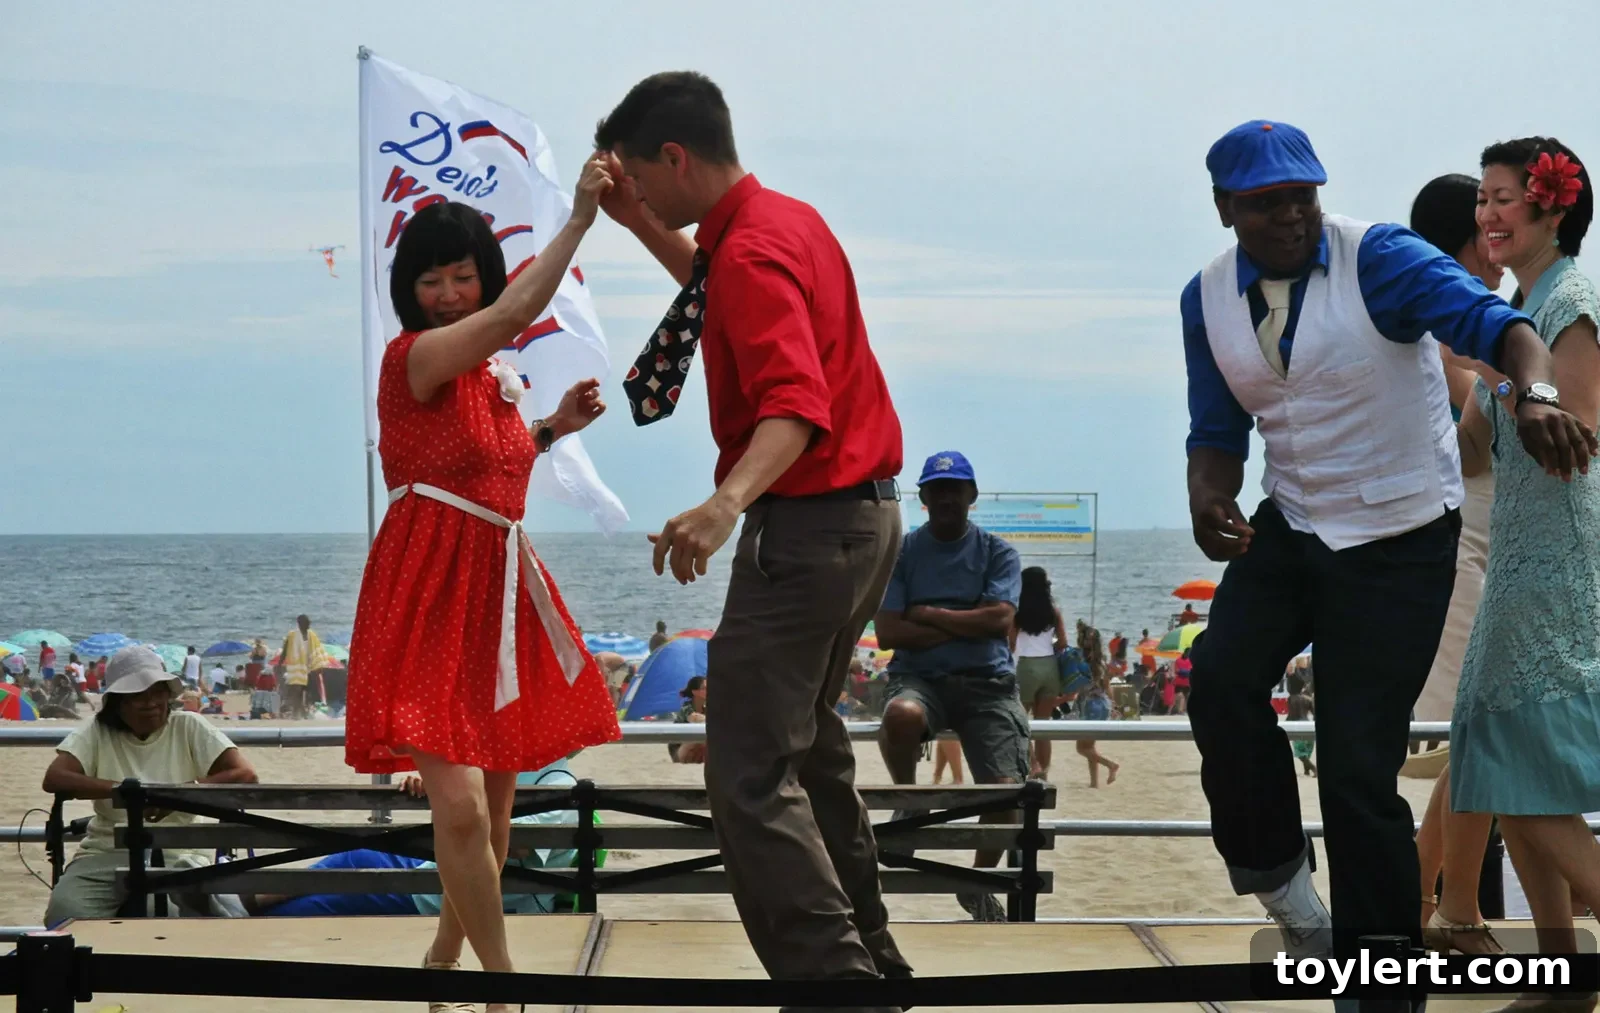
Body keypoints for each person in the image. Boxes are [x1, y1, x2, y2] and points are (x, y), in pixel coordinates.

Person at [1180, 118, 1595, 979]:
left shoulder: (1380, 257)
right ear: (1225, 208)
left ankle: (1381, 973)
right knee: (1217, 676)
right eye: (1266, 202)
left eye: (1303, 196)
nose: (1291, 215)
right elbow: (1216, 430)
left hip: (1401, 536)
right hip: (1295, 518)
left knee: (1355, 764)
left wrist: (1536, 393)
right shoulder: (1206, 298)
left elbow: (1503, 329)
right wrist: (1207, 495)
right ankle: (1282, 883)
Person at [595, 71, 910, 1002]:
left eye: (642, 181)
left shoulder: (753, 252)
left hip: (806, 525)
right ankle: (874, 961)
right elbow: (715, 287)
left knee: (746, 774)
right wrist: (635, 219)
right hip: (864, 519)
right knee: (810, 753)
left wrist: (723, 503)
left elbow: (795, 406)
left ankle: (835, 983)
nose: (640, 195)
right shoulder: (782, 224)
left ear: (675, 157)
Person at [344, 180, 621, 1013]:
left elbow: (492, 468)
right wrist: (579, 219)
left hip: (496, 591)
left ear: (482, 275)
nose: (447, 293)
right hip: (427, 590)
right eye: (430, 280)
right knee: (460, 807)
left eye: (462, 276)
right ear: (408, 290)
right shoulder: (415, 357)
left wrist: (552, 428)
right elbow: (511, 315)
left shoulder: (492, 376)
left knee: (495, 819)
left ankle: (442, 956)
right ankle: (505, 993)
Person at [1451, 137, 1600, 1011]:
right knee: (1498, 755)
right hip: (1515, 553)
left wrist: (1501, 381)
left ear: (1553, 208)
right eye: (1483, 200)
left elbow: (1576, 433)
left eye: (1503, 197)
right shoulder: (1512, 310)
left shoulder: (1571, 303)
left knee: (1521, 758)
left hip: (1555, 556)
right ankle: (1561, 976)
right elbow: (1475, 454)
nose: (1487, 215)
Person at [1405, 172, 1507, 957]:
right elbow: (1476, 406)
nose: (1497, 243)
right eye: (1486, 227)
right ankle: (1445, 902)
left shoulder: (1447, 312)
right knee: (1485, 729)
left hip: (1482, 533)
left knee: (1483, 732)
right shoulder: (1448, 320)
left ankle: (1427, 893)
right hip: (1471, 536)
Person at [875, 450, 1027, 923]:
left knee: (1006, 791)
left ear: (971, 494)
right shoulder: (902, 552)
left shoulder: (998, 552)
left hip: (988, 685)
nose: (946, 498)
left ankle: (977, 884)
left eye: (954, 489)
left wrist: (927, 614)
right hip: (919, 679)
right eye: (937, 489)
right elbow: (889, 632)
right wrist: (967, 624)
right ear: (923, 496)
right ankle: (909, 803)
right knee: (901, 715)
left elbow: (1000, 619)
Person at [40, 645, 258, 924]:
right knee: (65, 912)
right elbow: (55, 777)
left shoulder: (188, 726)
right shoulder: (98, 731)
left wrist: (176, 796)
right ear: (118, 702)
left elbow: (245, 774)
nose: (151, 702)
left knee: (163, 913)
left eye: (158, 692)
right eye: (138, 695)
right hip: (105, 851)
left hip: (181, 853)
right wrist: (128, 793)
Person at [248, 757, 595, 918]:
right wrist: (440, 784)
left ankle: (253, 910)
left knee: (336, 889)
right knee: (355, 861)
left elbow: (510, 843)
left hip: (453, 893)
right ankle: (253, 902)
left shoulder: (558, 788)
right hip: (442, 874)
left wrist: (448, 796)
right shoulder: (523, 770)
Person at [1009, 566, 1067, 781]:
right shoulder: (1053, 611)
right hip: (1049, 666)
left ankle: (1033, 765)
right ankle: (1044, 773)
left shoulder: (1018, 611)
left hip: (1026, 666)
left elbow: (1011, 644)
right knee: (1044, 725)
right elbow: (1063, 642)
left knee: (1019, 723)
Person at [1072, 625, 1119, 787]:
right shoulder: (1101, 661)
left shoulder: (1081, 660)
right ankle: (1094, 783)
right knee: (1090, 746)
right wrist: (1113, 705)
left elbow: (1075, 683)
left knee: (1081, 748)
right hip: (1102, 703)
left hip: (1090, 704)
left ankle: (1111, 765)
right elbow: (1107, 685)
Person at [278, 617, 325, 720]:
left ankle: (303, 712)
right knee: (297, 691)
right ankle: (297, 713)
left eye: (309, 623)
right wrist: (280, 664)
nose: (308, 625)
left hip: (308, 667)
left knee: (307, 691)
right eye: (306, 623)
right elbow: (285, 650)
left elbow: (317, 649)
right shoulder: (292, 635)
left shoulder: (312, 635)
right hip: (296, 668)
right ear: (299, 623)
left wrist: (318, 665)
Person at [669, 676, 708, 764]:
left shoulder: (706, 708)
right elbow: (695, 718)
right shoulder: (686, 708)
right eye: (704, 688)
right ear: (695, 692)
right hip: (679, 750)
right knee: (700, 735)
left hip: (696, 750)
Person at [1286, 674, 1316, 777]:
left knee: (1299, 751)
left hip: (1297, 726)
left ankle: (1314, 768)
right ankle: (1306, 771)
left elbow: (1291, 715)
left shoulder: (1291, 698)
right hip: (1307, 725)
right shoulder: (1308, 699)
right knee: (1306, 749)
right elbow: (1314, 713)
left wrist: (1285, 726)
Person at [1172, 649, 1193, 715]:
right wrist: (1185, 672)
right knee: (1181, 696)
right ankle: (1180, 711)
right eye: (1188, 653)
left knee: (1187, 697)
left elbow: (1191, 671)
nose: (1189, 655)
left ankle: (1185, 710)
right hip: (1179, 682)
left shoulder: (1191, 660)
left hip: (1187, 682)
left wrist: (1182, 671)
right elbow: (1176, 670)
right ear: (1185, 652)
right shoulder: (1178, 660)